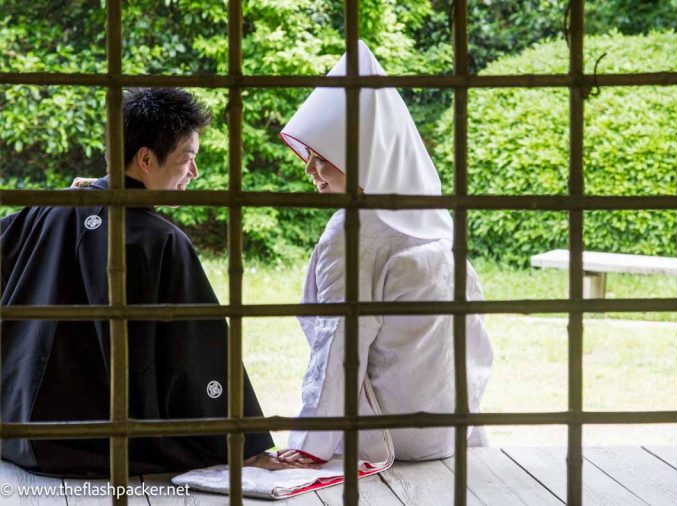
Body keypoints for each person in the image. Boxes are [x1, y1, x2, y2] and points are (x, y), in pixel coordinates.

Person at [0, 88, 295, 477]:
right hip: (86, 445)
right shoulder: (161, 241)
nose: (194, 173)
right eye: (187, 159)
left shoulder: (49, 208)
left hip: (13, 430)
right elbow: (197, 354)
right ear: (144, 159)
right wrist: (244, 445)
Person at [276, 41, 494, 465]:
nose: (310, 170)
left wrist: (309, 444)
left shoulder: (354, 230)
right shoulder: (432, 216)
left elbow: (337, 342)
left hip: (385, 438)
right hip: (449, 432)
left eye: (322, 157)